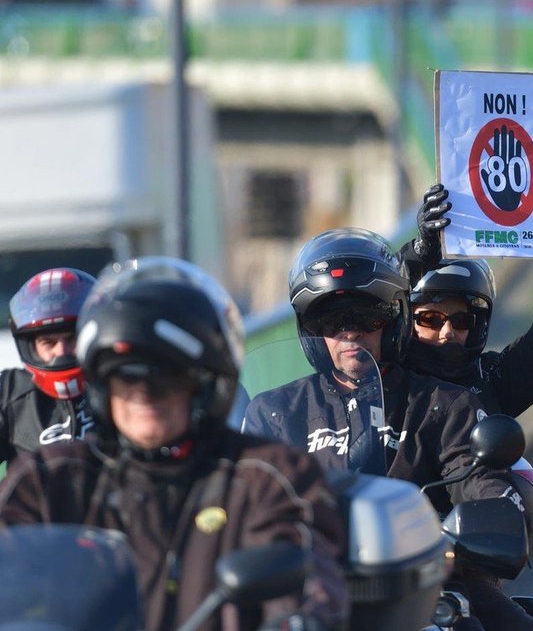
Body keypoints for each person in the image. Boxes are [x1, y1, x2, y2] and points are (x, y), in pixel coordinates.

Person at [0, 257, 347, 630]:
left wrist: (297, 617)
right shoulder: (50, 478)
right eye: (125, 378)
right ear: (102, 386)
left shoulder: (265, 478)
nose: (143, 394)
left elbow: (308, 581)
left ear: (203, 382)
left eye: (163, 377)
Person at [242, 228, 533, 631]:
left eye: (368, 316)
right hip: (310, 592)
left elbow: (482, 482)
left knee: (500, 624)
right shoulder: (274, 412)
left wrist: (488, 518)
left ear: (395, 319)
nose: (351, 332)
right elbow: (245, 505)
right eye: (330, 319)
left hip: (421, 587)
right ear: (311, 329)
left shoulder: (445, 404)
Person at [400, 167, 533, 418]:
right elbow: (366, 316)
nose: (448, 332)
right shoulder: (385, 378)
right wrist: (419, 254)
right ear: (406, 319)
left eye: (461, 320)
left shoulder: (490, 380)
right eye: (430, 319)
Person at [0, 268, 97, 463]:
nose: (61, 352)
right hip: (34, 493)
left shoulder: (120, 386)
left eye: (72, 339)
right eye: (48, 343)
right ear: (30, 346)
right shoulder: (8, 393)